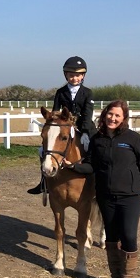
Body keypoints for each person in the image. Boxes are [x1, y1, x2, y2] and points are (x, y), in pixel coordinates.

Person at [68, 100, 140, 278]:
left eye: (117, 116)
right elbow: (90, 166)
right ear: (105, 114)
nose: (112, 118)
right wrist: (71, 165)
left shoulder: (134, 139)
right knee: (112, 238)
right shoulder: (98, 140)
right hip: (106, 197)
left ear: (124, 118)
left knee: (129, 236)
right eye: (110, 114)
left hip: (130, 197)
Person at [28, 56, 97, 194]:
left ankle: (97, 181)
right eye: (71, 75)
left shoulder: (88, 93)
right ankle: (44, 182)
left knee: (96, 147)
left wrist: (84, 132)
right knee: (42, 151)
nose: (74, 78)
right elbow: (55, 111)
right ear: (66, 75)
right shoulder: (60, 92)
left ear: (83, 76)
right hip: (64, 126)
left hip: (83, 126)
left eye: (78, 76)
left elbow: (88, 114)